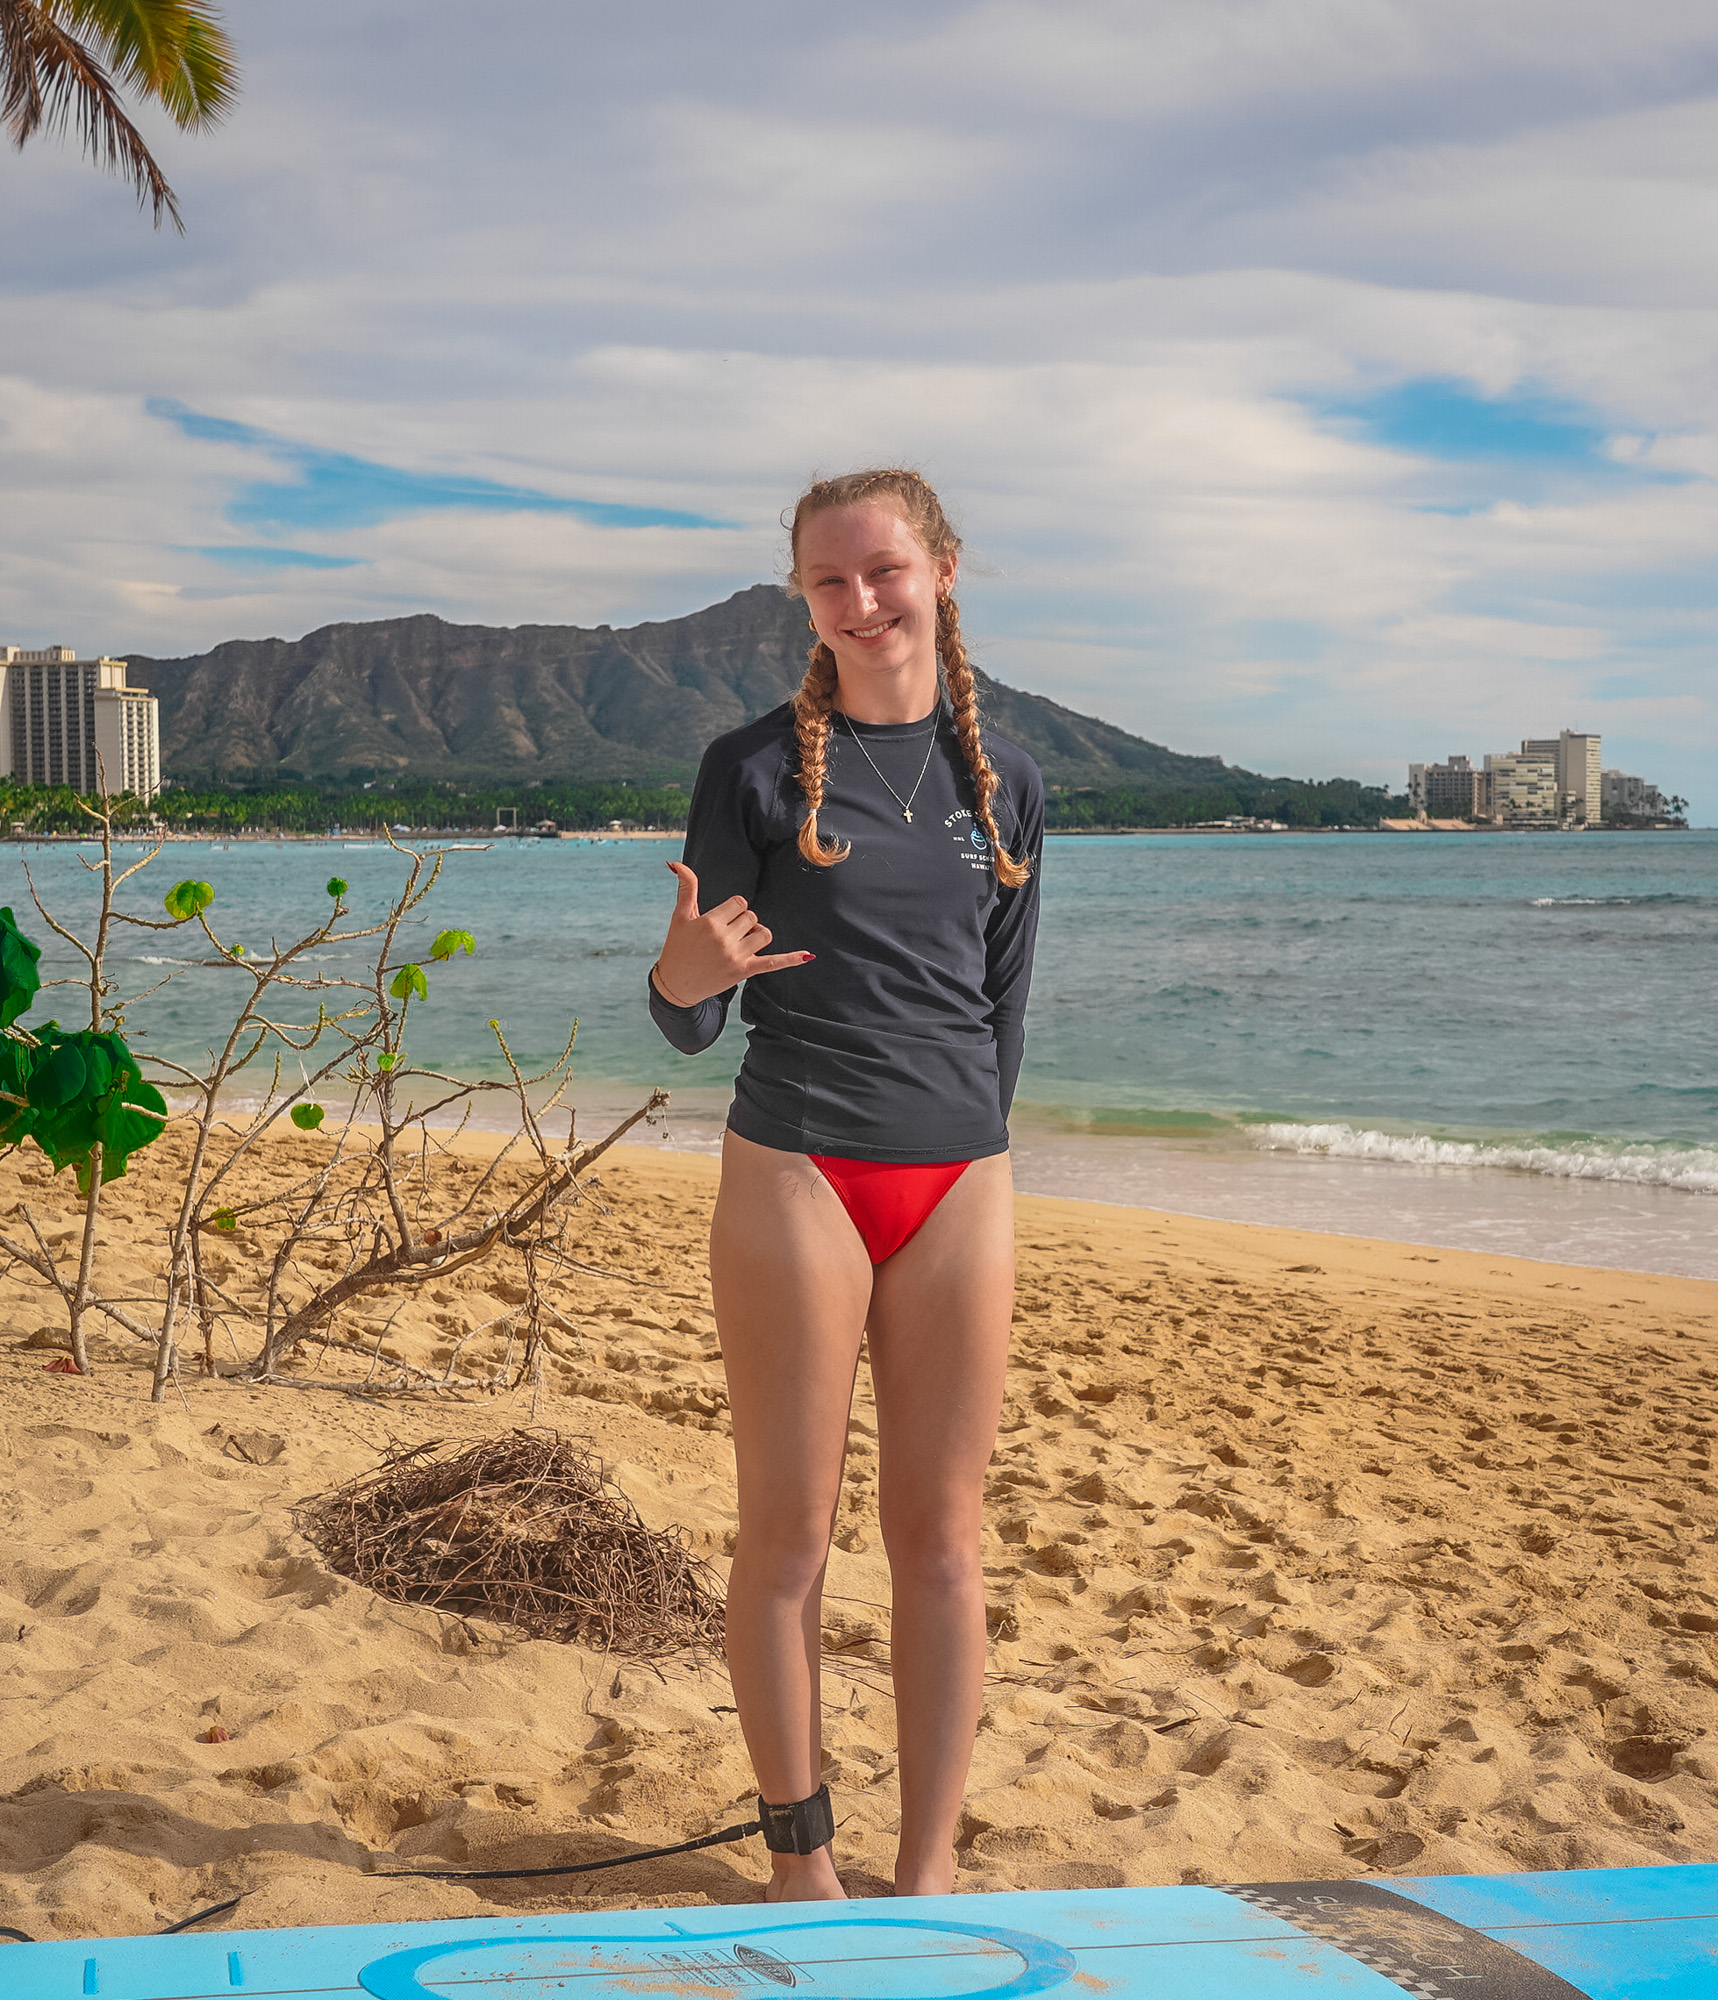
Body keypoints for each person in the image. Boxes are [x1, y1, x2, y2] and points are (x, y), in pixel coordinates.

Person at [647, 468, 1044, 1901]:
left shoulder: (1007, 781)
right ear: (804, 600)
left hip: (960, 1184)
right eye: (830, 580)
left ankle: (927, 1870)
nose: (860, 601)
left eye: (882, 570)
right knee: (787, 1537)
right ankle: (800, 1865)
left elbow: (1003, 1008)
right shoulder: (752, 770)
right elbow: (690, 1016)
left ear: (942, 569)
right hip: (799, 1170)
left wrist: (970, 1146)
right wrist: (680, 976)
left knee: (940, 1545)